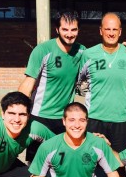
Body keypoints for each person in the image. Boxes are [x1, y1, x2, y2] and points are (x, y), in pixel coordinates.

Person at [19, 9, 85, 161]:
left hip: (64, 118)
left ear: (78, 30)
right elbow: (27, 86)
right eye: (65, 29)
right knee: (36, 166)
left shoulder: (82, 51)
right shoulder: (43, 51)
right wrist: (20, 114)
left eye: (73, 29)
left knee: (63, 162)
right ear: (57, 30)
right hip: (40, 117)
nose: (69, 34)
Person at [78, 13, 126, 169]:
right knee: (89, 164)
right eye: (107, 29)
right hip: (94, 118)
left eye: (114, 29)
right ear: (101, 31)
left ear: (120, 31)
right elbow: (77, 80)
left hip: (120, 120)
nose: (111, 33)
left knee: (118, 165)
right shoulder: (88, 55)